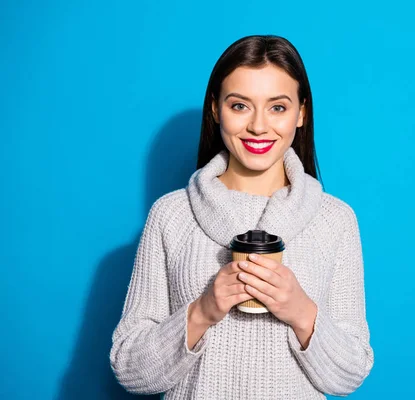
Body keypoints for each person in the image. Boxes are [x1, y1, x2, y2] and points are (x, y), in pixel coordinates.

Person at [109, 34, 374, 399]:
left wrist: (301, 312)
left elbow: (349, 376)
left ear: (302, 113)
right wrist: (202, 311)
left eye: (278, 107)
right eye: (240, 106)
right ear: (216, 109)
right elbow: (129, 369)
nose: (258, 127)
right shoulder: (171, 215)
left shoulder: (335, 221)